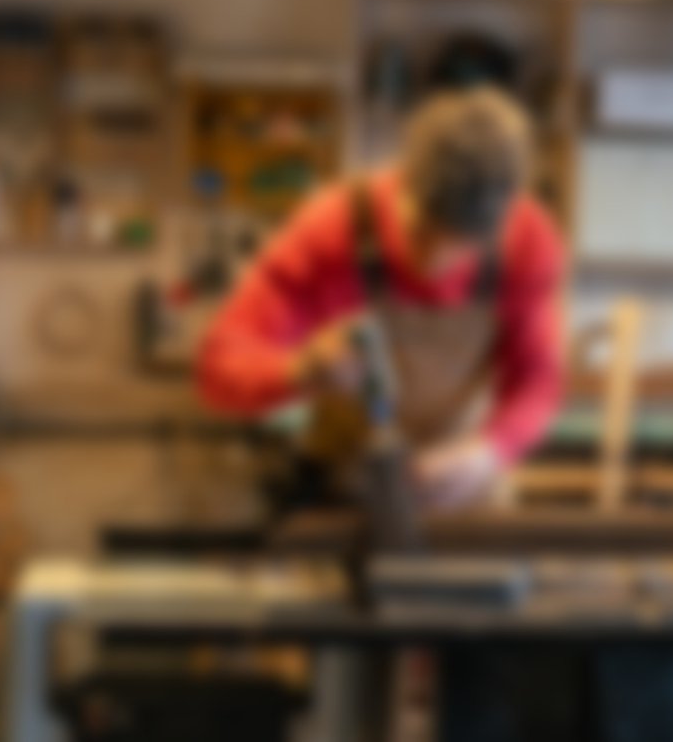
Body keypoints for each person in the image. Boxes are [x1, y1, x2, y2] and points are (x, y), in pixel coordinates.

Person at [198, 87, 565, 510]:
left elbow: (537, 382)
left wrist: (489, 451)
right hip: (343, 491)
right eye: (423, 232)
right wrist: (300, 371)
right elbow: (220, 367)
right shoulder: (334, 227)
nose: (436, 263)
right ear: (403, 183)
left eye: (463, 245)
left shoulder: (528, 243)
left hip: (462, 486)